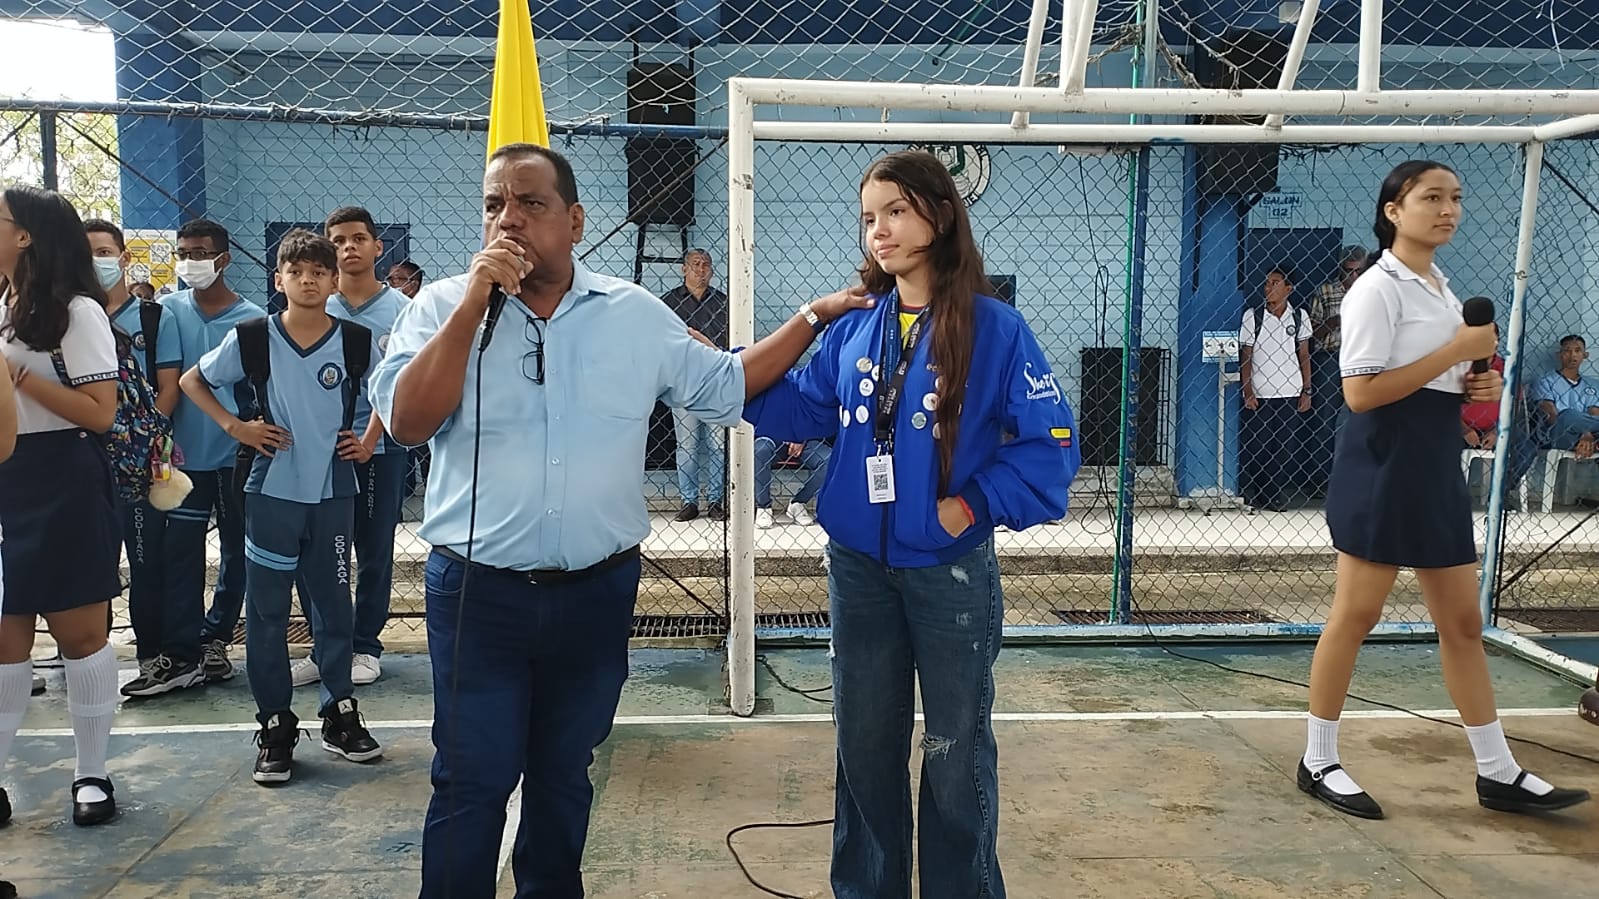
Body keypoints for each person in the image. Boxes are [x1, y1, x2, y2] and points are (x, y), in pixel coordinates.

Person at [368, 142, 869, 897]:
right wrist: (474, 304)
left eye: (530, 204)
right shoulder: (439, 307)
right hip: (479, 595)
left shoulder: (633, 314)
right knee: (472, 777)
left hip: (594, 594)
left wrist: (811, 316)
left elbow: (729, 385)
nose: (508, 220)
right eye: (494, 205)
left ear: (573, 221)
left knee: (564, 774)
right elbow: (407, 421)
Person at [742, 150, 1080, 899]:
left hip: (948, 572)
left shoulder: (994, 328)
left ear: (937, 214)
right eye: (867, 217)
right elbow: (801, 406)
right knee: (863, 741)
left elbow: (1050, 443)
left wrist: (972, 504)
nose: (878, 230)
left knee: (954, 749)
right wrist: (734, 372)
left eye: (894, 210)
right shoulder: (855, 324)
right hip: (859, 567)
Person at [1304, 160, 1590, 820]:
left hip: (1432, 462)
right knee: (1355, 614)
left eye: (1455, 197)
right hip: (1383, 462)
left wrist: (1473, 382)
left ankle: (1496, 771)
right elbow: (1360, 390)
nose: (1447, 208)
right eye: (1430, 197)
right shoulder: (1376, 289)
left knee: (1462, 622)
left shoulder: (1439, 285)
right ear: (1392, 211)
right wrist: (1454, 350)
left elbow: (1440, 374)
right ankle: (1317, 757)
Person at [179, 229, 383, 784]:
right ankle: (274, 724)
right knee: (266, 615)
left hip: (334, 493)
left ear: (334, 279)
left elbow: (393, 389)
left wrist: (367, 440)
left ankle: (340, 713)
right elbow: (194, 380)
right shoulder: (253, 337)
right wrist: (236, 426)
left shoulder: (359, 341)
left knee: (334, 610)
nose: (309, 279)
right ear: (279, 281)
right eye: (297, 271)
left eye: (319, 271)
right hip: (270, 494)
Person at [0, 185, 124, 827]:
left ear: (26, 236)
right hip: (5, 477)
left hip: (61, 477)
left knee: (80, 637)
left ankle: (92, 774)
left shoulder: (78, 311)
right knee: (5, 637)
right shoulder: (3, 301)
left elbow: (101, 414)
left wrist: (20, 378)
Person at [127, 219, 263, 697]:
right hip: (178, 461)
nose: (190, 261)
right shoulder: (164, 312)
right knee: (179, 555)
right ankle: (180, 652)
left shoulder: (253, 319)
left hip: (233, 458)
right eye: (183, 252)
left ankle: (215, 639)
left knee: (236, 554)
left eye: (200, 252)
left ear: (223, 259)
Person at [288, 206, 406, 690]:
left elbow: (401, 381)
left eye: (359, 238)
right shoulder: (317, 307)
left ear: (378, 247)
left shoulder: (403, 310)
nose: (348, 247)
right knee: (315, 551)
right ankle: (325, 646)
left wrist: (370, 439)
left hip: (379, 448)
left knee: (373, 550)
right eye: (337, 240)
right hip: (320, 452)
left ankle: (364, 645)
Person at [84, 219, 184, 684]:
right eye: (85, 253)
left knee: (146, 560)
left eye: (104, 252)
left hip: (138, 464)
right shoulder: (69, 319)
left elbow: (168, 388)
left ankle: (153, 656)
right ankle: (88, 655)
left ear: (123, 259)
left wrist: (148, 445)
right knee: (90, 564)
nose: (96, 262)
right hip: (83, 463)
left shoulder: (153, 318)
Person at [662, 249, 730, 521]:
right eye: (695, 264)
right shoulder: (668, 303)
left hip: (714, 382)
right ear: (684, 269)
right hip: (682, 385)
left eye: (706, 265)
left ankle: (715, 501)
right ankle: (688, 501)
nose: (701, 269)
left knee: (718, 445)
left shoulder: (724, 302)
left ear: (712, 271)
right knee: (687, 446)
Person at [1238, 268, 1312, 511]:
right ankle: (1258, 490)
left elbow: (1303, 354)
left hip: (1290, 389)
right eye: (1267, 283)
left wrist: (1307, 390)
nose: (1269, 288)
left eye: (1275, 283)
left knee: (1282, 447)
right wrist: (1247, 389)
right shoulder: (1254, 316)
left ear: (1288, 288)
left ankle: (1273, 493)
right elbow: (1246, 355)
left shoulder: (1299, 317)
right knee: (1258, 445)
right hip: (1261, 391)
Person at [1308, 246, 1367, 490]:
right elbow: (1311, 332)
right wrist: (1335, 321)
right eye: (1348, 271)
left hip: (1363, 359)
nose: (1352, 277)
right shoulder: (1325, 291)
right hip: (1331, 357)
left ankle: (1355, 477)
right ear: (1340, 268)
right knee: (1325, 419)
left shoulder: (1372, 292)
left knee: (1362, 419)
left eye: (1357, 272)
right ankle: (1320, 479)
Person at [1530, 335, 1599, 459]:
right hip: (1558, 433)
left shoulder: (1593, 385)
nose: (1572, 355)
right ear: (1559, 354)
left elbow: (1594, 414)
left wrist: (1589, 436)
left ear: (1585, 355)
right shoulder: (1544, 381)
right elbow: (1551, 414)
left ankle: (1591, 443)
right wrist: (1585, 432)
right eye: (1567, 350)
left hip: (1590, 436)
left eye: (1577, 351)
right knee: (1568, 415)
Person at [754, 435, 830, 528]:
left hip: (805, 440)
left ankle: (798, 503)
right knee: (761, 450)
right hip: (770, 437)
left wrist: (799, 438)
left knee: (830, 460)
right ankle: (763, 508)